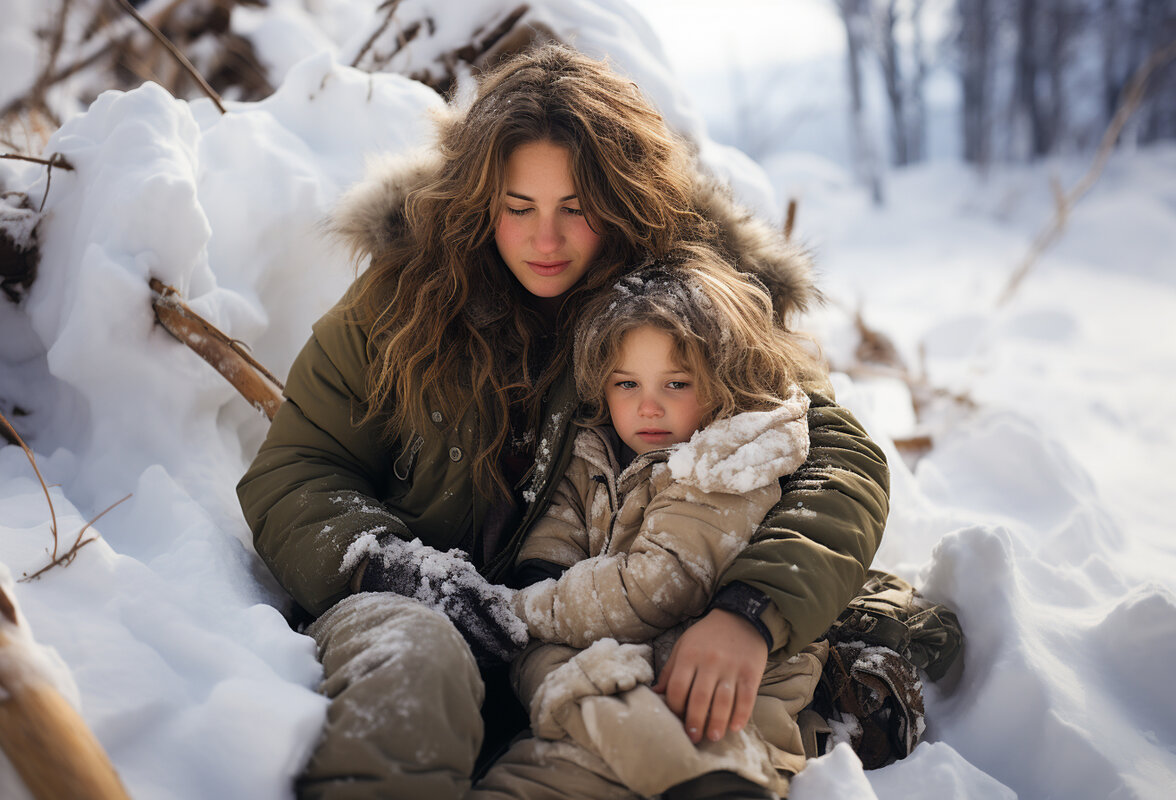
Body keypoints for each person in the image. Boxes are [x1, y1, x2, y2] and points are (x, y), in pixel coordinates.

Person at [236, 42, 888, 800]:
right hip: (419, 612)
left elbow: (836, 460)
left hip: (610, 640)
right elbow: (297, 467)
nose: (545, 241)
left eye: (576, 210)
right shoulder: (403, 295)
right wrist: (387, 566)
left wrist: (751, 613)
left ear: (624, 200)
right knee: (416, 660)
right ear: (481, 200)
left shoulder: (692, 299)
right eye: (519, 209)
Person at [467, 258, 828, 799]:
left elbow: (657, 587)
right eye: (627, 384)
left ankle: (712, 784)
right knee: (529, 762)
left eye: (676, 383)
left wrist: (519, 611)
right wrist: (538, 576)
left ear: (722, 380)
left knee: (563, 683)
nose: (648, 406)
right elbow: (557, 525)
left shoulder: (728, 460)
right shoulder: (597, 449)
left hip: (711, 697)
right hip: (617, 667)